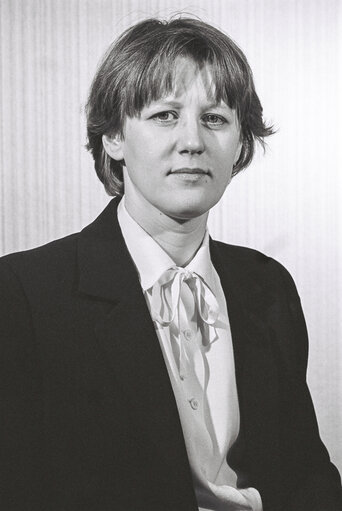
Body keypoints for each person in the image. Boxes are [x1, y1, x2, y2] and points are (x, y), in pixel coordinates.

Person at [0, 16, 341, 511]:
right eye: (165, 115)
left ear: (242, 143)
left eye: (216, 119)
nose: (193, 141)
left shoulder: (267, 285)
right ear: (114, 136)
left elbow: (305, 472)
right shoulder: (23, 294)